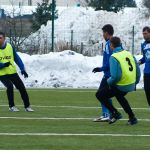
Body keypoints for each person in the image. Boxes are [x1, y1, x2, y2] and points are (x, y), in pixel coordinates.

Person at [95, 36, 141, 125]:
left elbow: (116, 76)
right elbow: (138, 71)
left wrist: (108, 83)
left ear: (111, 45)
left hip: (122, 85)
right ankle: (132, 117)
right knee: (119, 95)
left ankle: (115, 113)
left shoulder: (114, 56)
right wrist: (136, 82)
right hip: (131, 84)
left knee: (99, 95)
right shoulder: (128, 53)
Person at [0, 31, 34, 112]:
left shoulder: (10, 47)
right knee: (10, 86)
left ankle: (27, 106)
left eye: (0, 38)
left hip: (12, 72)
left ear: (4, 38)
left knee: (21, 87)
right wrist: (3, 65)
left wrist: (22, 69)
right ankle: (11, 106)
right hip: (1, 74)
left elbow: (17, 59)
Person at [92, 24, 113, 122]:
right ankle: (110, 113)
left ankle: (107, 114)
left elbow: (110, 60)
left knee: (100, 94)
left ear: (106, 33)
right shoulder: (114, 43)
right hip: (111, 73)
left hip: (109, 74)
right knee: (106, 94)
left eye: (103, 33)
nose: (103, 35)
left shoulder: (109, 44)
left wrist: (100, 69)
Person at [138, 26, 150, 106]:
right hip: (147, 72)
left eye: (145, 33)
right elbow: (145, 58)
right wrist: (138, 62)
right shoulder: (143, 44)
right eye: (143, 34)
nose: (144, 35)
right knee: (147, 90)